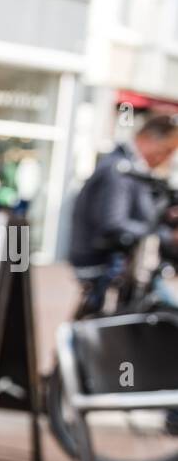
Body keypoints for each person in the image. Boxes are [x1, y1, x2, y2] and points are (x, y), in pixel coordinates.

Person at [68, 113, 178, 314]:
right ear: (149, 139)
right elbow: (113, 223)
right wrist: (165, 236)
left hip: (109, 266)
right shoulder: (119, 170)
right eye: (167, 150)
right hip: (103, 266)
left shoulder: (128, 168)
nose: (167, 158)